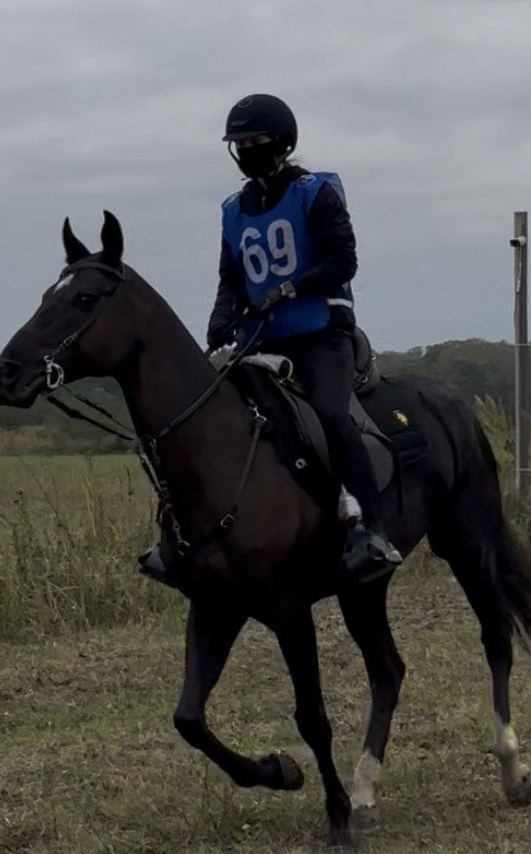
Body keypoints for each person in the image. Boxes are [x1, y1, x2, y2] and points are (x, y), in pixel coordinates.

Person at [138, 93, 401, 586]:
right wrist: (217, 325)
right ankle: (178, 537)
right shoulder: (234, 211)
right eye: (238, 144)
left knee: (329, 412)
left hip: (321, 333)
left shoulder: (314, 192)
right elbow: (231, 280)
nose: (245, 150)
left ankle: (373, 529)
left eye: (255, 141)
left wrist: (288, 288)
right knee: (204, 418)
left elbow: (343, 263)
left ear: (281, 142)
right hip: (261, 339)